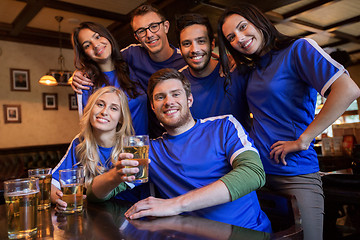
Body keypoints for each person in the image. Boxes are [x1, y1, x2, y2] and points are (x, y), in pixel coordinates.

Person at [217, 3, 360, 240]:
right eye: (231, 37)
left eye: (243, 27)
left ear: (258, 20)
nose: (240, 38)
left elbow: (348, 89)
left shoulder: (298, 49)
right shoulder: (252, 68)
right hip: (259, 176)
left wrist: (303, 140)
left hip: (295, 173)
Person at [87, 68, 272, 232]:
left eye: (176, 94)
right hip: (188, 236)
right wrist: (116, 175)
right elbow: (96, 196)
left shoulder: (224, 126)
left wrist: (175, 205)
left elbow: (253, 173)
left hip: (246, 232)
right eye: (160, 97)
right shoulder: (149, 150)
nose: (168, 102)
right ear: (153, 107)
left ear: (189, 99)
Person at [51, 86, 150, 209]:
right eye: (100, 104)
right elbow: (52, 183)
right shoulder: (80, 142)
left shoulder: (133, 148)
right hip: (93, 218)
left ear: (121, 118)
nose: (104, 112)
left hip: (130, 218)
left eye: (113, 108)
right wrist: (59, 199)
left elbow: (101, 196)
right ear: (91, 109)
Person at [175, 13, 251, 132]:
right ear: (180, 48)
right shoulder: (176, 84)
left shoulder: (237, 72)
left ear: (212, 44)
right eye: (187, 44)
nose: (194, 50)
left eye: (201, 41)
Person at [72, 21, 148, 135]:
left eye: (97, 37)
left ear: (107, 36)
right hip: (113, 152)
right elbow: (87, 131)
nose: (96, 45)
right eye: (87, 45)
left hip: (143, 147)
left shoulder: (130, 65)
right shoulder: (86, 83)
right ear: (84, 54)